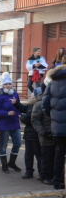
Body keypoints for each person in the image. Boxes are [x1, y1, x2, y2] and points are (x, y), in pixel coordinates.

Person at [43, 56, 66, 190]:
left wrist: (54, 118)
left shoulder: (52, 82)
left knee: (58, 155)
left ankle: (58, 182)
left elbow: (45, 105)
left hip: (57, 128)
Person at [0, 72, 22, 174]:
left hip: (15, 123)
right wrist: (7, 113)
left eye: (10, 84)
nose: (8, 86)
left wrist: (19, 113)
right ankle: (4, 165)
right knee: (3, 145)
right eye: (6, 84)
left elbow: (18, 106)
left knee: (18, 143)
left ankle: (12, 163)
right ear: (3, 85)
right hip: (3, 124)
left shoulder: (15, 94)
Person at [13, 89, 42, 180]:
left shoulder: (37, 106)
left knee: (38, 155)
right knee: (28, 155)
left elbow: (30, 119)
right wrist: (16, 103)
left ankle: (42, 173)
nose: (31, 93)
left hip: (35, 134)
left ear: (37, 95)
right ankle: (29, 172)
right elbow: (23, 108)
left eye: (33, 92)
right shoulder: (31, 104)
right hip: (29, 134)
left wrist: (21, 117)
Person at [32, 81, 55, 185]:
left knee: (56, 157)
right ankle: (45, 177)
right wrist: (43, 132)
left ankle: (55, 176)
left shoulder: (57, 100)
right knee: (47, 158)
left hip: (57, 135)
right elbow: (35, 120)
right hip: (46, 136)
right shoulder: (39, 104)